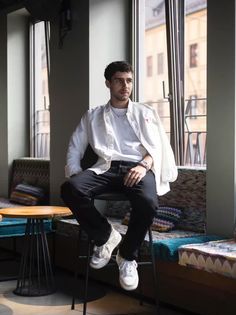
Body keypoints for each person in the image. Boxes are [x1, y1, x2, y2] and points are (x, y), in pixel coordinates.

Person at [61, 61, 177, 291]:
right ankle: (106, 236)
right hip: (107, 168)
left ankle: (127, 256)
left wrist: (144, 165)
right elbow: (75, 147)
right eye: (119, 80)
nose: (125, 86)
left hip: (138, 168)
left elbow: (160, 147)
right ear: (108, 83)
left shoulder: (146, 112)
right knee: (70, 188)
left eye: (129, 80)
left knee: (148, 202)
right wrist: (76, 174)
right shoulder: (93, 115)